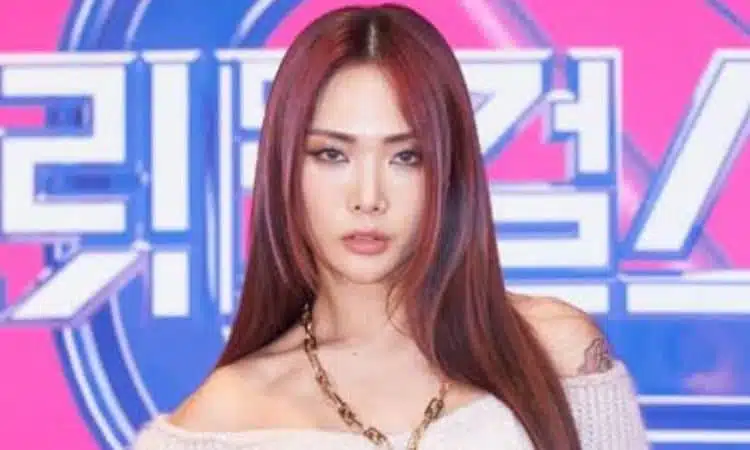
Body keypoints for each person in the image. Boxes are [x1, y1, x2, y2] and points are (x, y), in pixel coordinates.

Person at [132, 4, 649, 449]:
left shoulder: (555, 351)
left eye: (406, 157)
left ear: (448, 172)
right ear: (284, 168)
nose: (368, 197)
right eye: (332, 154)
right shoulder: (222, 420)